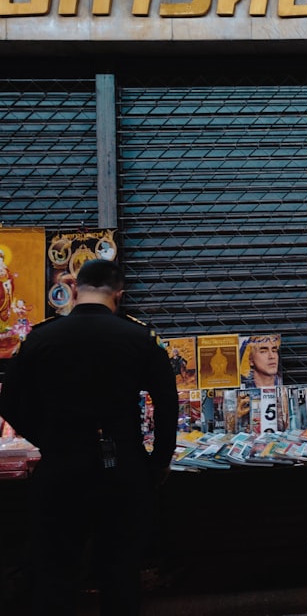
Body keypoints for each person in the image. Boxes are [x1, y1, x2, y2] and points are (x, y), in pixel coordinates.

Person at [0, 259, 179, 615]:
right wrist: (158, 461)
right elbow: (167, 403)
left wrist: (46, 439)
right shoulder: (138, 338)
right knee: (121, 570)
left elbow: (8, 401)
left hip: (62, 467)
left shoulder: (41, 337)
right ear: (119, 294)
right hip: (123, 468)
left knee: (56, 571)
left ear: (75, 289)